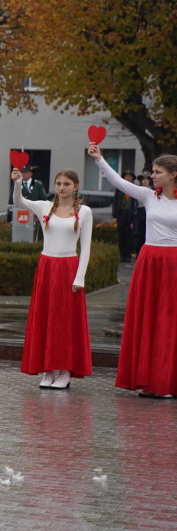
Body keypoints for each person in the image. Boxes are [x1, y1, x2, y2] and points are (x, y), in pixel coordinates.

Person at [88, 144, 177, 398]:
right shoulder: (149, 196)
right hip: (149, 261)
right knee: (148, 319)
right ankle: (148, 380)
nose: (152, 176)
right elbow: (119, 183)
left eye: (158, 172)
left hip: (173, 262)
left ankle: (167, 382)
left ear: (173, 174)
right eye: (153, 171)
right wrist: (100, 160)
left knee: (169, 322)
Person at [11, 167, 93, 390]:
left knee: (65, 322)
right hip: (46, 267)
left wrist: (80, 278)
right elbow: (19, 201)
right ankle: (47, 371)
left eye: (67, 184)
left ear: (75, 187)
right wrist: (17, 183)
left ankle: (65, 371)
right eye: (58, 184)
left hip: (69, 268)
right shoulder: (44, 206)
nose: (62, 188)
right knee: (45, 319)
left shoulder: (84, 211)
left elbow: (86, 247)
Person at [112, 169, 138, 262]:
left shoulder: (135, 188)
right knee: (121, 235)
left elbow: (136, 203)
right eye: (126, 176)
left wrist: (134, 218)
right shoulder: (119, 189)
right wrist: (115, 215)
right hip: (121, 214)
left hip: (130, 214)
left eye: (130, 176)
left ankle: (128, 255)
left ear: (132, 178)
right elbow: (115, 202)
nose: (128, 178)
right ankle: (122, 255)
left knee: (129, 235)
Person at [135, 174, 151, 253]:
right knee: (139, 234)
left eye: (147, 179)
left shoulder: (153, 190)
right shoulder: (138, 189)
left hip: (149, 212)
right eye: (143, 179)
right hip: (140, 211)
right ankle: (138, 252)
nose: (145, 181)